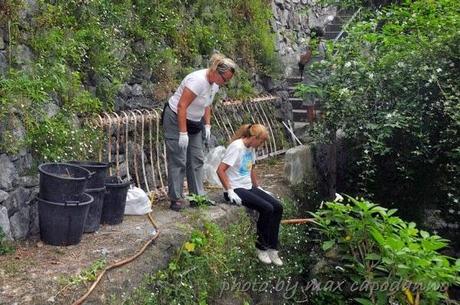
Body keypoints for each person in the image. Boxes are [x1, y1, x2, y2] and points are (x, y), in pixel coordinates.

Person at [163, 53, 237, 212]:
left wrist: (208, 124)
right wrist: (182, 133)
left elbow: (206, 104)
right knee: (179, 158)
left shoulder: (215, 84)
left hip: (195, 122)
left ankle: (197, 196)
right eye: (225, 79)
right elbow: (182, 106)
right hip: (176, 118)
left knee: (196, 158)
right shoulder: (197, 81)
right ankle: (176, 198)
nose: (225, 83)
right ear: (217, 72)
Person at [216, 124, 284, 266]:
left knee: (277, 206)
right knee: (267, 208)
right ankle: (261, 247)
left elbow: (252, 168)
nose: (261, 145)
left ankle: (273, 248)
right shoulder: (237, 147)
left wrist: (258, 187)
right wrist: (229, 190)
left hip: (248, 187)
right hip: (236, 189)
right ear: (254, 138)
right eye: (261, 141)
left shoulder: (251, 148)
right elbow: (220, 170)